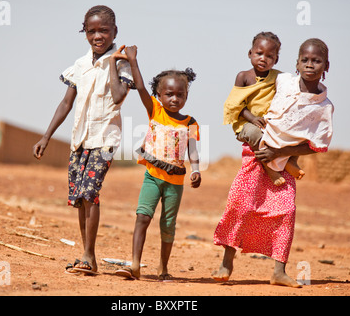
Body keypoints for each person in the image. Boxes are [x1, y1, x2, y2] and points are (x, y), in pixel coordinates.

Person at [212, 38, 333, 288]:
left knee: (285, 213)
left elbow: (316, 145)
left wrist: (281, 151)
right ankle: (226, 262)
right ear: (296, 63)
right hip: (257, 155)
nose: (310, 65)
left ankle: (279, 271)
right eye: (305, 60)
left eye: (316, 61)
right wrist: (245, 121)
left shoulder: (323, 107)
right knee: (241, 206)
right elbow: (250, 87)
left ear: (326, 66)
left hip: (284, 159)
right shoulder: (283, 81)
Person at [32, 5, 134, 275]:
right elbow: (66, 103)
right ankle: (86, 255)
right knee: (80, 198)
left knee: (90, 193)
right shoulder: (79, 65)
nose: (97, 36)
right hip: (80, 140)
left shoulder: (122, 62)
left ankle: (89, 256)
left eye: (104, 30)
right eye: (91, 31)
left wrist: (113, 62)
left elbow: (119, 95)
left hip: (104, 139)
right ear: (85, 33)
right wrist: (46, 136)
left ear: (115, 31)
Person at [113, 45, 201, 280]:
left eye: (179, 95)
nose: (174, 99)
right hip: (152, 177)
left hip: (175, 182)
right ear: (160, 96)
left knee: (168, 224)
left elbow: (192, 148)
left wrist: (196, 170)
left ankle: (163, 269)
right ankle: (134, 265)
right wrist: (133, 60)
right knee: (143, 216)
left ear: (186, 96)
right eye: (169, 94)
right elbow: (140, 87)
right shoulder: (155, 112)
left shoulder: (190, 122)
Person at [223, 32, 304, 186]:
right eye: (259, 53)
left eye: (269, 56)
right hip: (246, 123)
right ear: (250, 53)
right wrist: (252, 119)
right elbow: (235, 105)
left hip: (270, 122)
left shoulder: (279, 78)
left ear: (276, 60)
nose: (263, 58)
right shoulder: (243, 76)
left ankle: (291, 160)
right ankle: (270, 168)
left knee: (296, 131)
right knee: (255, 134)